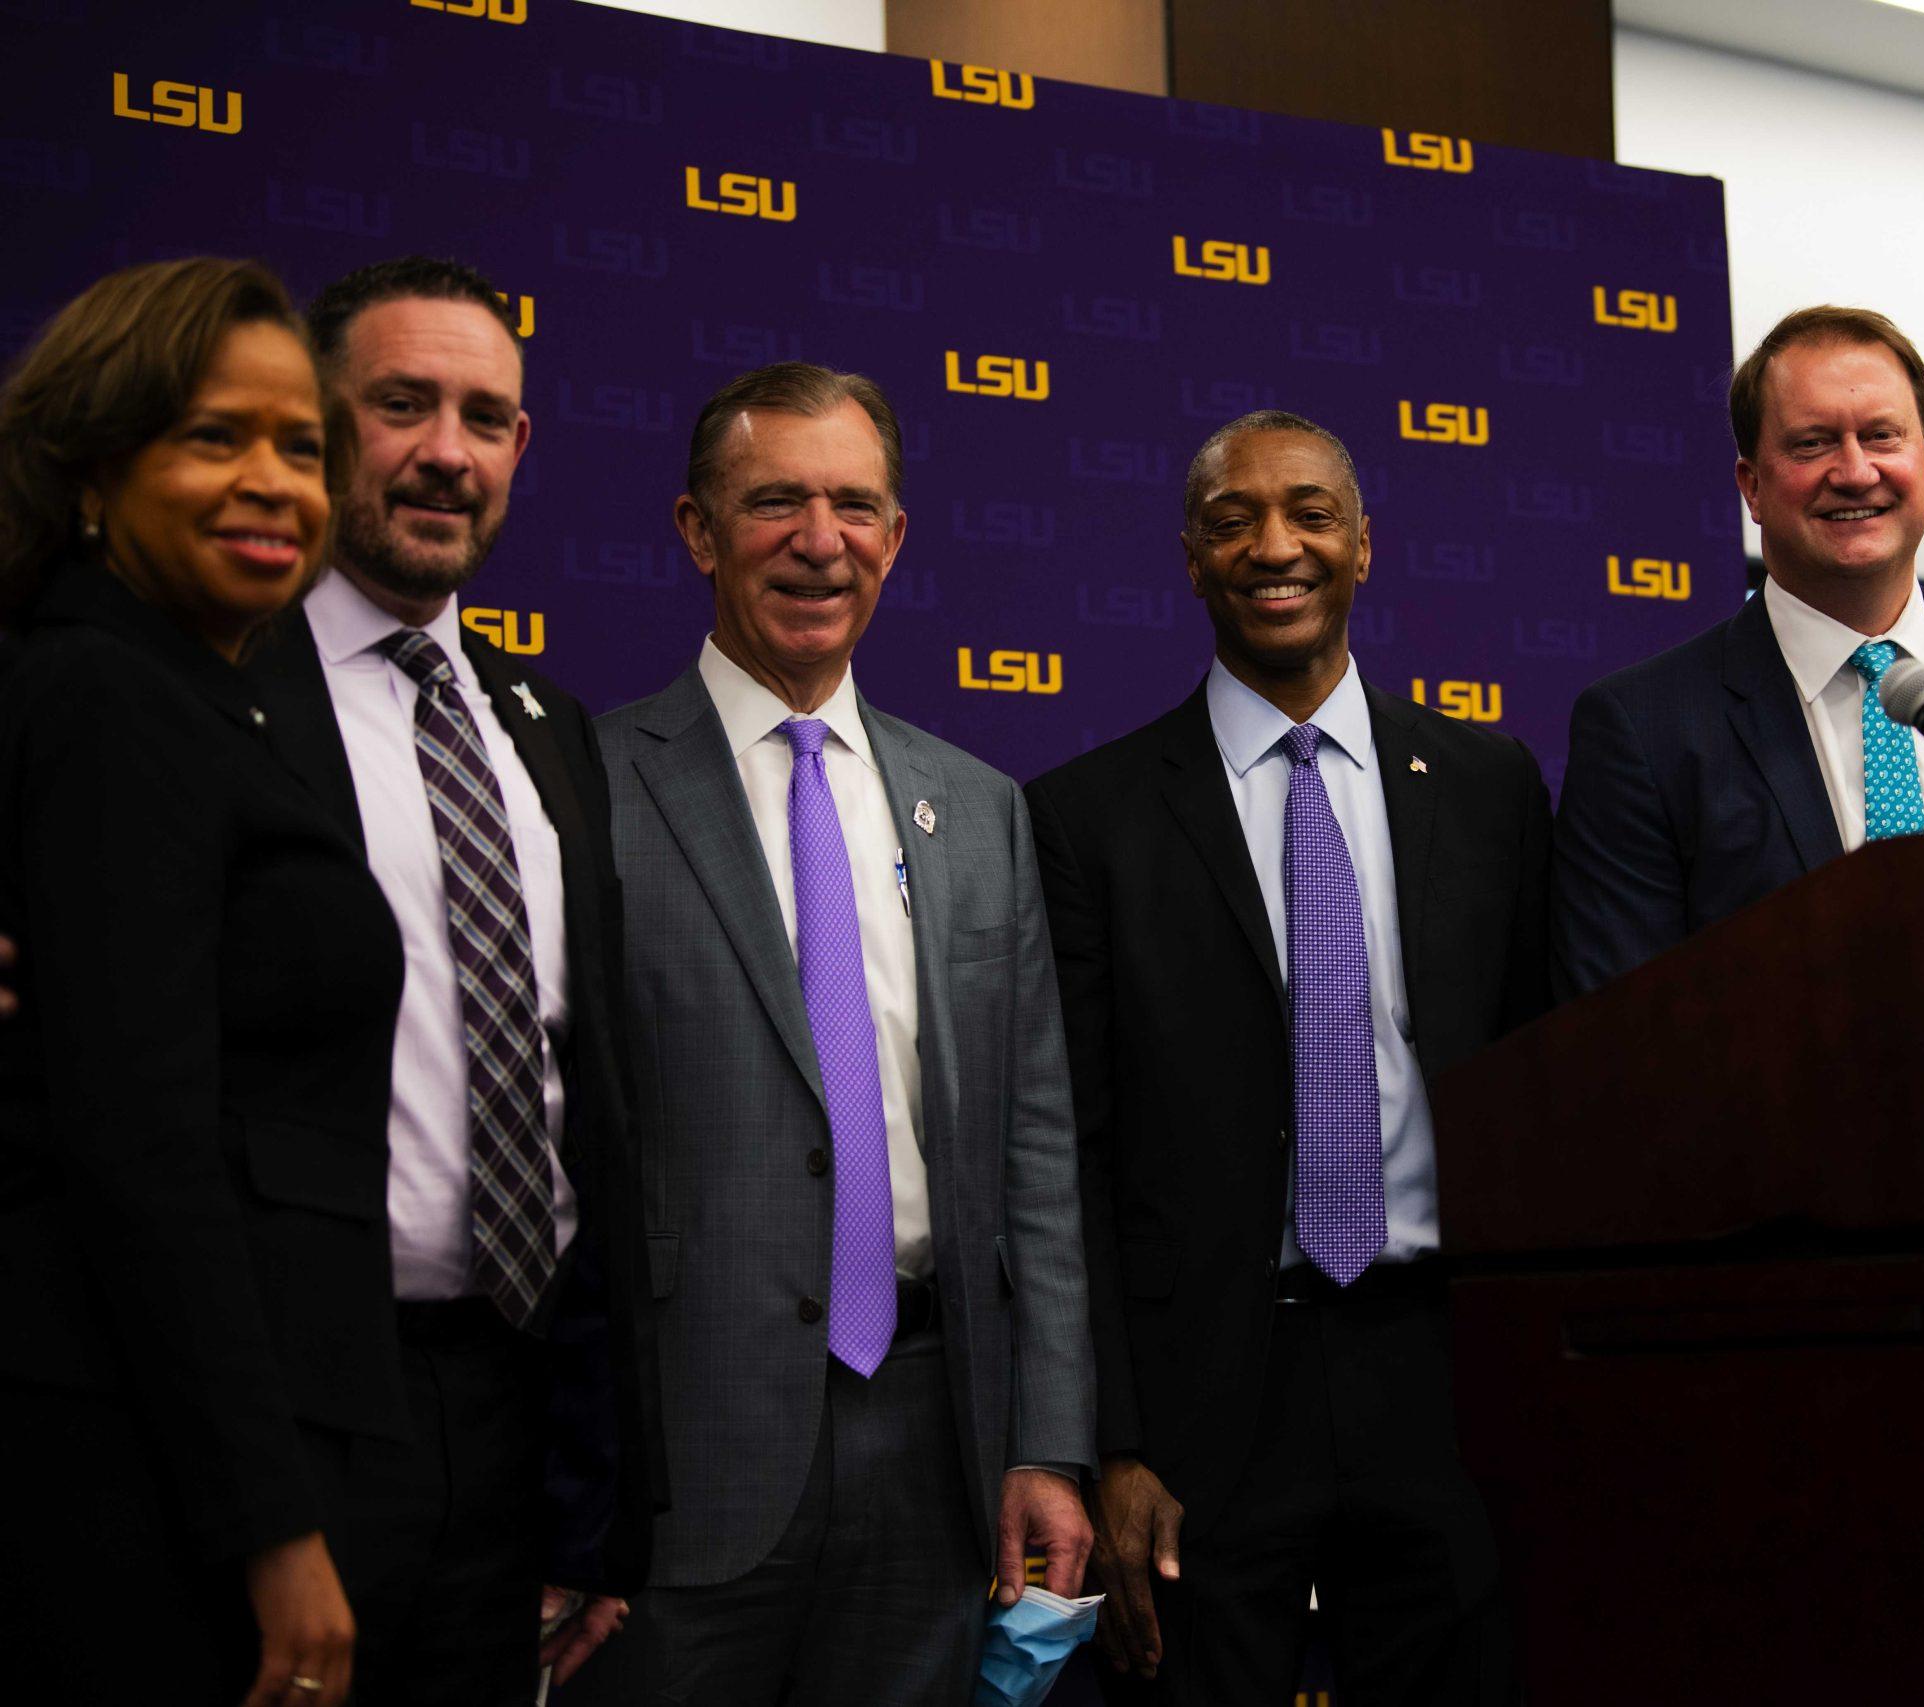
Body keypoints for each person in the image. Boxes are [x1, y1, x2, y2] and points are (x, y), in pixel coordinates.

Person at [576, 362, 1093, 1706]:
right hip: (684, 1457)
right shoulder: (584, 786)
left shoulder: (980, 809)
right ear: (696, 529)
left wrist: (1047, 1440)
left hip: (935, 1452)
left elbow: (1035, 1156)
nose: (821, 540)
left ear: (898, 535)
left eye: (856, 503)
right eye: (775, 502)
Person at [1027, 410, 1549, 1703]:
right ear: (1190, 558)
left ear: (1363, 545)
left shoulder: (1488, 786)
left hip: (1445, 1374)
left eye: (1311, 513)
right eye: (1233, 520)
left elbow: (1548, 1101)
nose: (1277, 545)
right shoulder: (1087, 817)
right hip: (1208, 1399)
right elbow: (1070, 1159)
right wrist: (1117, 1440)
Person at [246, 256, 660, 1698]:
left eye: (485, 416)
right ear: (315, 423)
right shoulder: (211, 690)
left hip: (512, 1420)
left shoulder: (547, 731)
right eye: (401, 405)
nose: (445, 451)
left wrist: (599, 1497)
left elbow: (584, 1114)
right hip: (284, 1413)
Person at [0, 257, 402, 1705]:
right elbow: (143, 1147)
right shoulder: (106, 697)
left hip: (233, 1437)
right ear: (95, 467)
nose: (273, 483)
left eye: (303, 447)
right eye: (213, 436)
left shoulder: (195, 697)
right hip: (141, 1469)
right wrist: (271, 1525)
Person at [1552, 305, 1924, 996]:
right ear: (1752, 487)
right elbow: (1621, 1023)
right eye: (1812, 444)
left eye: (1882, 436)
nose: (1856, 471)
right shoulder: (1645, 727)